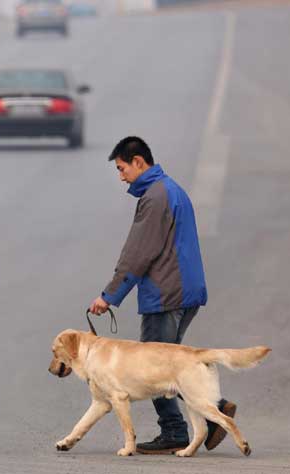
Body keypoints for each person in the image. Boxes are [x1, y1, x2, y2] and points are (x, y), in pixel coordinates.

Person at [87, 136, 236, 454]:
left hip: (167, 293)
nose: (121, 176)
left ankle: (177, 430)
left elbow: (139, 253)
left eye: (122, 168)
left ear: (139, 162)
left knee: (152, 368)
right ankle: (215, 411)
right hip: (184, 291)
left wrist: (109, 296)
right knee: (172, 364)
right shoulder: (169, 189)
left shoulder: (155, 197)